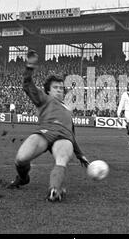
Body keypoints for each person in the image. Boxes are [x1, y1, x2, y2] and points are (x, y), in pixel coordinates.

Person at [6, 50, 90, 202]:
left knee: (62, 159)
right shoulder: (44, 99)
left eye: (61, 87)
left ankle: (55, 190)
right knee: (21, 158)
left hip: (64, 136)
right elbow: (27, 85)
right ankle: (23, 178)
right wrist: (30, 66)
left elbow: (72, 133)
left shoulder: (68, 109)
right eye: (56, 87)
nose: (59, 90)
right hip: (45, 132)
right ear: (48, 91)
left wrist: (80, 154)